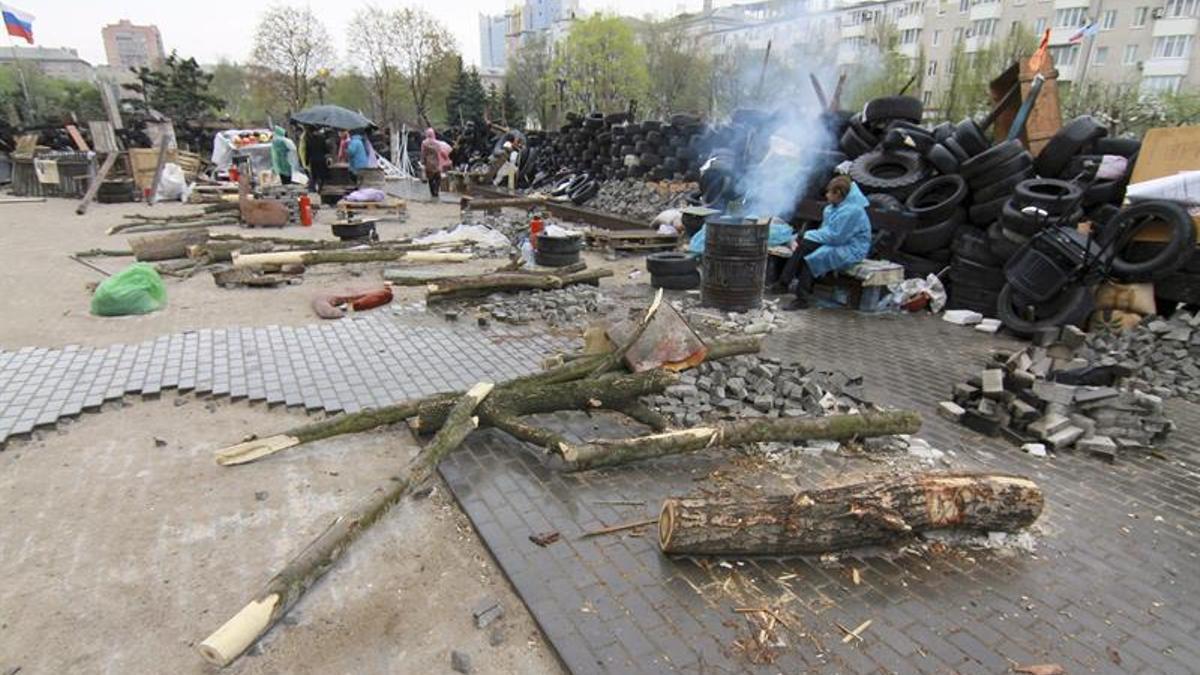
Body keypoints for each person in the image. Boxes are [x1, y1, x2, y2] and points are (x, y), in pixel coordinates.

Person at [777, 175, 872, 310]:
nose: (826, 195)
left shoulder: (853, 211)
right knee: (804, 245)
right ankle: (784, 283)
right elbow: (827, 232)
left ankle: (799, 296)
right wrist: (808, 236)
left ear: (838, 193)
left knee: (813, 258)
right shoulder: (833, 207)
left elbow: (837, 237)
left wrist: (810, 235)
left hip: (852, 248)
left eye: (829, 192)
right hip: (836, 242)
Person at [420, 128, 450, 199]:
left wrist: (422, 162)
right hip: (436, 163)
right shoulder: (437, 143)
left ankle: (433, 193)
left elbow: (423, 153)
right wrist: (447, 158)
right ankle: (436, 190)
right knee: (438, 178)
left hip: (428, 163)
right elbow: (441, 152)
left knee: (430, 179)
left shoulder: (424, 143)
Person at [305, 127, 330, 193]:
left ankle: (313, 189)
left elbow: (307, 151)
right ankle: (321, 189)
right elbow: (326, 149)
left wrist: (306, 161)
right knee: (322, 175)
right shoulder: (322, 138)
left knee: (314, 175)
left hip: (313, 160)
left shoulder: (309, 139)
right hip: (321, 160)